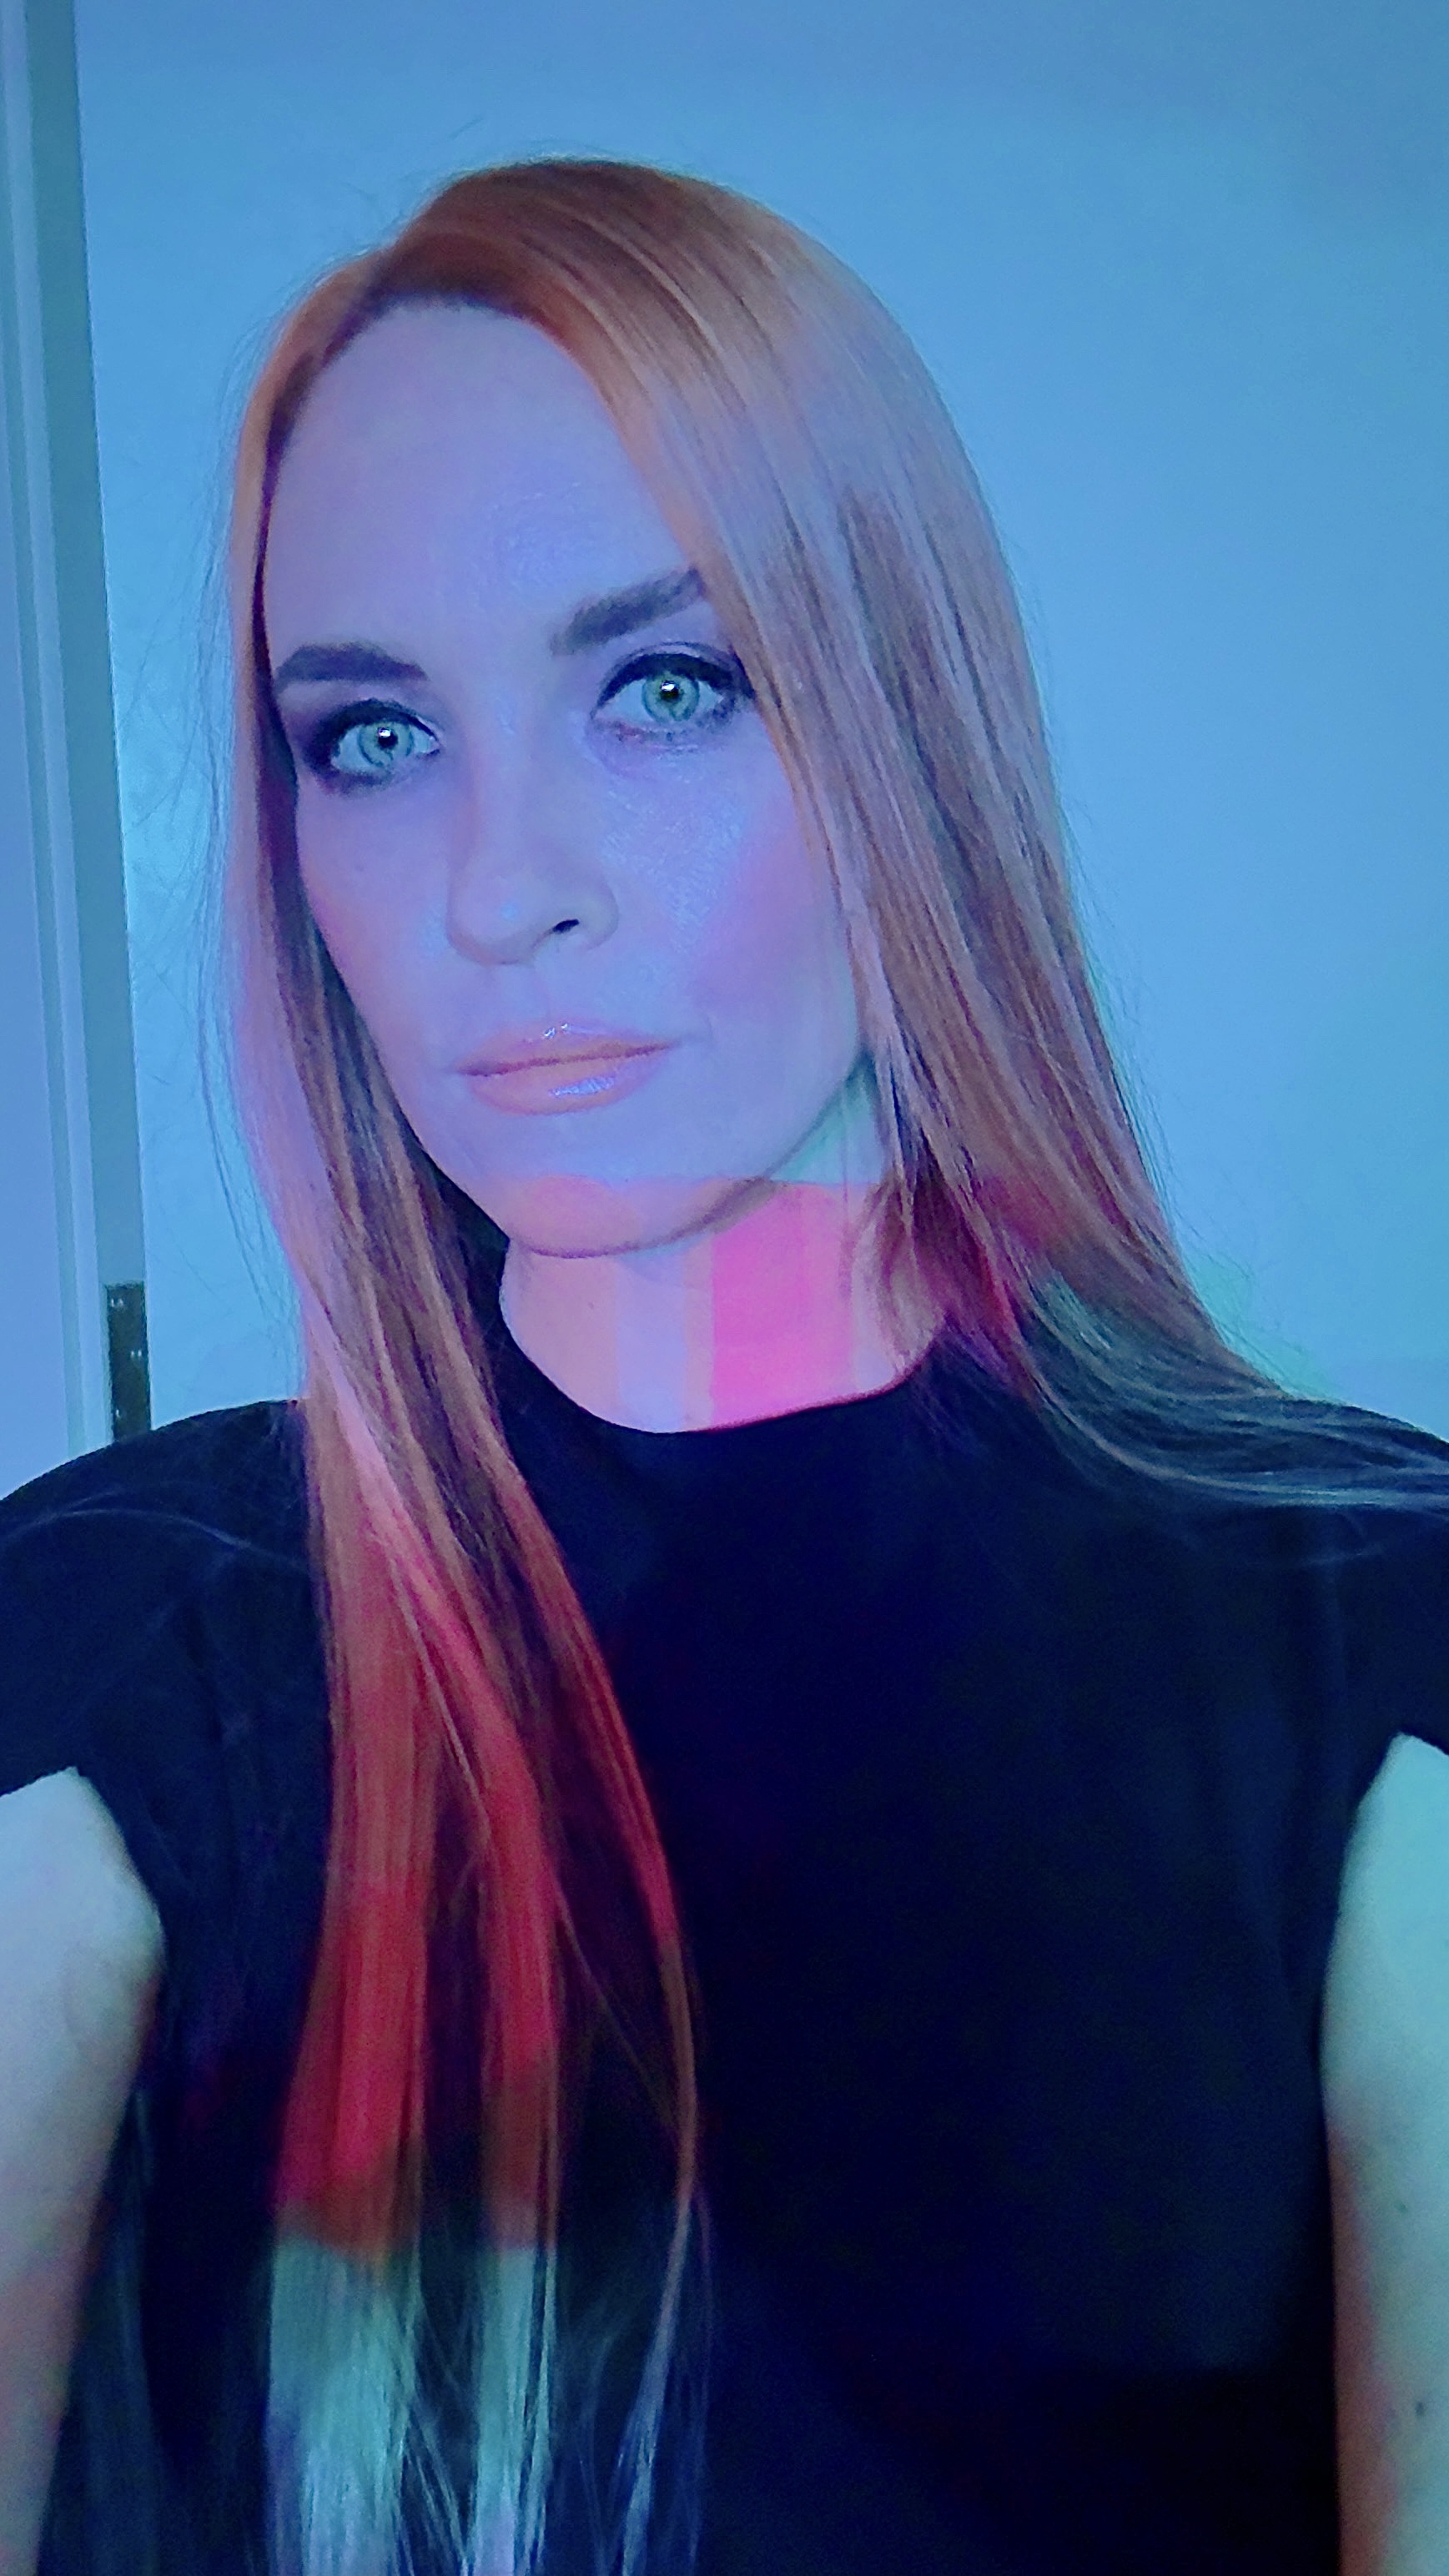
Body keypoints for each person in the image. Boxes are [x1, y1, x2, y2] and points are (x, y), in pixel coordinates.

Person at [3, 155, 1448, 2576]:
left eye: (665, 690)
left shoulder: (1365, 1625)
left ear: (902, 733)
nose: (500, 890)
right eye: (373, 737)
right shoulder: (119, 1644)